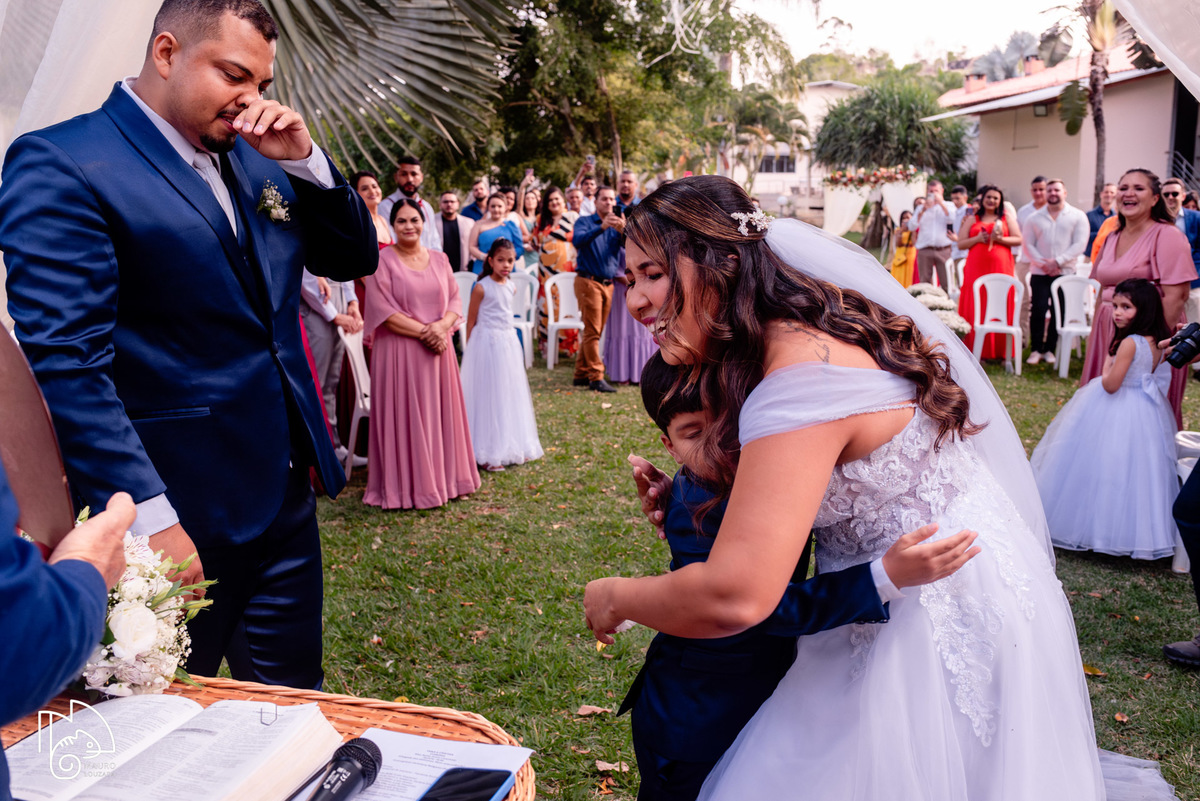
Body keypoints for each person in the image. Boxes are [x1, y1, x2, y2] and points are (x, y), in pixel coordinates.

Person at [583, 175, 1150, 800]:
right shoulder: (824, 319)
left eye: (653, 273)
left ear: (720, 261)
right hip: (981, 580)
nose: (636, 300)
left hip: (918, 625)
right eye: (629, 278)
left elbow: (736, 596)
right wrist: (700, 506)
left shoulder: (796, 385)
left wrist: (615, 596)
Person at [0, 0, 378, 689]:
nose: (251, 100)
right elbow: (69, 362)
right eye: (234, 75)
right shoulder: (64, 162)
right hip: (173, 514)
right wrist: (151, 519)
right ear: (167, 53)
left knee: (293, 703)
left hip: (284, 501)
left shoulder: (261, 159)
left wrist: (307, 163)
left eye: (261, 83)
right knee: (159, 720)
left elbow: (353, 257)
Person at [624, 353, 956, 801]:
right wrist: (881, 577)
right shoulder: (695, 507)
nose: (720, 445)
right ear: (670, 446)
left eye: (731, 425)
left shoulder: (761, 478)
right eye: (695, 434)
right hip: (697, 715)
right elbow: (763, 607)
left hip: (755, 691)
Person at [1032, 278, 1178, 558]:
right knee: (1140, 471)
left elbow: (1111, 385)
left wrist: (1107, 363)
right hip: (1146, 411)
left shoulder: (1130, 343)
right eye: (1116, 306)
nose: (1117, 312)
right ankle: (1134, 534)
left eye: (1126, 307)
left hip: (1118, 405)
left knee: (1106, 465)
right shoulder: (1157, 341)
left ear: (1144, 309)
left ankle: (1098, 531)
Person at [363, 199, 479, 509]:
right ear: (393, 225)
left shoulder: (440, 259)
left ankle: (449, 481)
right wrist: (428, 332)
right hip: (399, 355)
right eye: (401, 221)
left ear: (424, 222)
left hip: (438, 353)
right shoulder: (381, 261)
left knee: (441, 417)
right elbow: (384, 312)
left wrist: (441, 327)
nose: (409, 226)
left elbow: (455, 301)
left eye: (414, 220)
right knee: (408, 420)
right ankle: (408, 488)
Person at [1081, 168, 1196, 428]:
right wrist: (1097, 333)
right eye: (1123, 188)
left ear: (1155, 198)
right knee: (1102, 409)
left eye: (1138, 188)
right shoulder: (1112, 237)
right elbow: (1103, 289)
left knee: (1138, 415)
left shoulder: (1167, 235)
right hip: (1108, 328)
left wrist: (1150, 347)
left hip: (1148, 334)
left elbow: (1177, 295)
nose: (1128, 193)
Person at [461, 239, 544, 471]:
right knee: (489, 394)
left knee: (508, 392)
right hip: (486, 345)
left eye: (510, 260)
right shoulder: (481, 287)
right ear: (490, 261)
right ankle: (487, 451)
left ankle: (512, 445)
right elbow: (471, 320)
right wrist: (471, 350)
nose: (506, 265)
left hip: (507, 344)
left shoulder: (511, 286)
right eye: (500, 260)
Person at [1022, 178, 1090, 365]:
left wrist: (1058, 262)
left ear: (1064, 193)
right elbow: (1027, 244)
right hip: (1040, 272)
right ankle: (1036, 349)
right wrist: (1044, 264)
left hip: (1065, 272)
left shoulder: (1077, 216)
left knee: (1059, 311)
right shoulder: (1034, 218)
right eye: (1050, 190)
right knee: (1038, 309)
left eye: (1057, 190)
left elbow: (1080, 244)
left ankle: (1050, 349)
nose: (1053, 193)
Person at [956, 185, 1021, 360]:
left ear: (1000, 201)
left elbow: (1018, 239)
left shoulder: (1006, 217)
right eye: (989, 197)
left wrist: (1000, 239)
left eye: (995, 198)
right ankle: (974, 348)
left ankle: (1000, 350)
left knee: (999, 301)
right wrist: (978, 239)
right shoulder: (972, 219)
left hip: (1001, 267)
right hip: (976, 268)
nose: (992, 200)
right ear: (982, 198)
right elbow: (960, 243)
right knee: (976, 301)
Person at [573, 186, 624, 392]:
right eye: (604, 199)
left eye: (612, 199)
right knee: (593, 332)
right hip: (588, 281)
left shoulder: (617, 224)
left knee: (594, 331)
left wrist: (625, 231)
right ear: (595, 202)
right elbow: (577, 241)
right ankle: (596, 376)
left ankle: (580, 373)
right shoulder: (584, 221)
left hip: (608, 284)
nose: (609, 202)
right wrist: (601, 227)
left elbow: (630, 246)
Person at [532, 187, 580, 360]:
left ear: (562, 200)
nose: (554, 202)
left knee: (567, 305)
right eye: (550, 200)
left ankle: (568, 347)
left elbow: (579, 239)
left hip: (567, 270)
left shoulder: (572, 216)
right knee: (546, 306)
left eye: (557, 199)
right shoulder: (540, 219)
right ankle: (547, 345)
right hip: (545, 273)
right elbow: (535, 242)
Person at [603, 251, 660, 384]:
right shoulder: (614, 243)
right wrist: (631, 283)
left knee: (642, 331)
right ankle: (621, 374)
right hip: (621, 291)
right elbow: (614, 269)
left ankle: (641, 373)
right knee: (621, 330)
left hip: (643, 288)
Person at [379, 155, 441, 250]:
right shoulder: (385, 207)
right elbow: (390, 241)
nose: (410, 179)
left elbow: (434, 241)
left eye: (414, 174)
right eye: (404, 174)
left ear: (421, 177)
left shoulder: (426, 207)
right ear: (396, 177)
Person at [1014, 175, 1048, 340]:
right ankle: (1023, 337)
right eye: (1035, 190)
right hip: (1026, 262)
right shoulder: (1023, 212)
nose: (1038, 193)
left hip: (1046, 265)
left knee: (1044, 302)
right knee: (1024, 300)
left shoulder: (1053, 210)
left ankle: (1044, 338)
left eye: (1041, 189)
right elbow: (1019, 237)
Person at [906, 179, 954, 290]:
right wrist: (923, 210)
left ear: (942, 191)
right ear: (927, 192)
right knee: (924, 284)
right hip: (925, 249)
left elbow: (952, 219)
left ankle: (947, 300)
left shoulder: (949, 205)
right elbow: (911, 226)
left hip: (943, 249)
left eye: (936, 191)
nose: (934, 194)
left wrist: (941, 204)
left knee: (947, 283)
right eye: (931, 191)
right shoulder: (921, 208)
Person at [468, 193, 525, 275]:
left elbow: (520, 248)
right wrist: (484, 257)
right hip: (482, 266)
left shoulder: (511, 225)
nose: (496, 209)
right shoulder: (478, 225)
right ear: (488, 207)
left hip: (505, 268)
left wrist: (505, 258)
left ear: (505, 207)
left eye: (499, 206)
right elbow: (472, 246)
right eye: (493, 206)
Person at [438, 190, 474, 272]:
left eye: (452, 201)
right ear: (440, 204)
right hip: (439, 268)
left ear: (458, 204)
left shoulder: (469, 223)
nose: (449, 204)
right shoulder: (432, 222)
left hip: (462, 269)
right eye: (445, 202)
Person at [1086, 182, 1118, 255]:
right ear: (1101, 194)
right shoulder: (1089, 215)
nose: (1109, 194)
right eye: (1106, 192)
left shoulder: (1118, 217)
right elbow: (1084, 235)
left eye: (1112, 192)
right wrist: (1103, 235)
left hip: (1111, 256)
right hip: (1090, 256)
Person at [889, 209, 917, 287]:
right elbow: (898, 244)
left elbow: (914, 242)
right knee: (899, 276)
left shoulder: (914, 230)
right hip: (900, 254)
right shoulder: (898, 230)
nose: (906, 220)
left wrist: (912, 229)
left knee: (910, 274)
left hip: (911, 253)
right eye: (903, 218)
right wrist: (901, 231)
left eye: (908, 217)